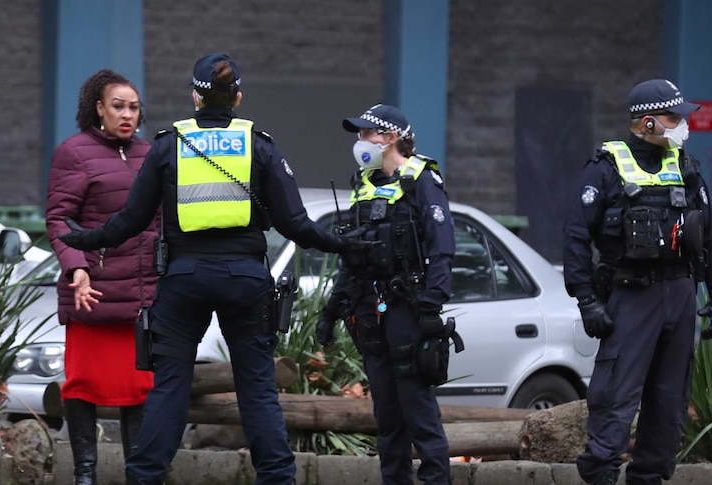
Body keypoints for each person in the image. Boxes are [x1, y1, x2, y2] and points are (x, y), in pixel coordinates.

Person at [57, 53, 366, 485]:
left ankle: (144, 478)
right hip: (246, 280)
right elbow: (295, 224)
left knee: (169, 389)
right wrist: (345, 244)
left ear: (195, 98)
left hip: (184, 280)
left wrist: (82, 238)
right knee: (257, 390)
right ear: (237, 97)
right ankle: (277, 479)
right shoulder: (260, 143)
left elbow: (129, 222)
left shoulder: (169, 144)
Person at [562, 79, 712, 485]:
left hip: (680, 295)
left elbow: (711, 235)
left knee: (670, 404)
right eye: (674, 118)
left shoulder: (685, 169)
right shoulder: (605, 169)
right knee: (616, 400)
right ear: (648, 123)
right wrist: (586, 300)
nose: (682, 125)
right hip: (632, 297)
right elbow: (575, 237)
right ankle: (600, 474)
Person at [316, 104, 460, 485]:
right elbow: (352, 256)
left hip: (409, 312)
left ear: (390, 138)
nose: (360, 141)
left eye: (367, 134)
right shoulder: (363, 185)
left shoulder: (421, 178)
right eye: (359, 134)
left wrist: (432, 303)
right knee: (388, 420)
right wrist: (331, 312)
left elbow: (442, 246)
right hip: (370, 314)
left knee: (420, 416)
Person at [45, 69, 158, 484]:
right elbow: (59, 219)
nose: (127, 114)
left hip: (143, 294)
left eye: (133, 107)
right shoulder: (74, 152)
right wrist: (76, 265)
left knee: (139, 388)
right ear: (98, 108)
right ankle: (85, 475)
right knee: (82, 384)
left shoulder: (151, 153)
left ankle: (138, 476)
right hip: (91, 290)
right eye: (118, 106)